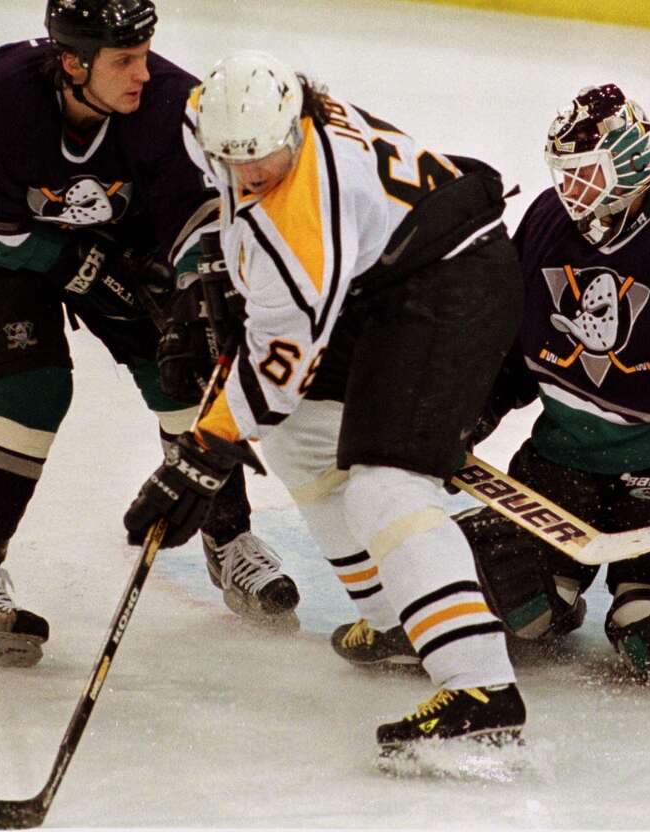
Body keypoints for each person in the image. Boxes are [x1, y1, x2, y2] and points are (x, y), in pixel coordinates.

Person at [330, 84, 650, 685]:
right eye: (565, 174)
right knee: (501, 602)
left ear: (633, 160)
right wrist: (461, 414)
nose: (570, 191)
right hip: (562, 463)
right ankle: (555, 595)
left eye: (587, 174)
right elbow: (509, 350)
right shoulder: (548, 220)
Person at [124, 50, 527, 755]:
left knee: (385, 484)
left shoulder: (307, 214)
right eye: (235, 160)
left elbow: (278, 369)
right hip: (382, 269)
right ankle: (393, 615)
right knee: (299, 436)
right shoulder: (226, 123)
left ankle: (480, 688)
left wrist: (200, 454)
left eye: (266, 159)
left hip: (452, 278)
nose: (252, 175)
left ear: (295, 126)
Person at [0, 0, 299, 669]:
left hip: (113, 239)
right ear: (71, 61)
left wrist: (193, 284)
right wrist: (84, 268)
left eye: (146, 54)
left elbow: (199, 214)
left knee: (186, 369)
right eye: (124, 60)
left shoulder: (172, 104)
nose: (143, 74)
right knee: (32, 393)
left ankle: (227, 535)